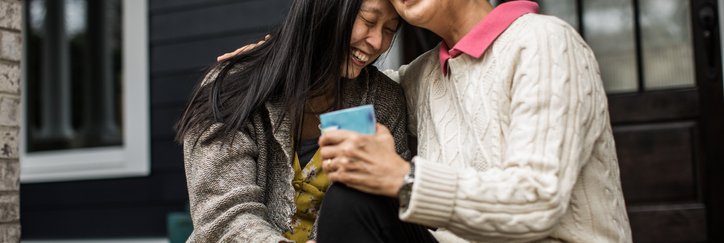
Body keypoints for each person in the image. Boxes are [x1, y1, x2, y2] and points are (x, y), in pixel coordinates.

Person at [314, 0, 633, 242]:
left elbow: (537, 201)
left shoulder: (544, 41)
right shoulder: (423, 76)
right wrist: (269, 58)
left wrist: (404, 179)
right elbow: (345, 79)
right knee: (351, 200)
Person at [175, 0, 435, 242]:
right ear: (325, 9)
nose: (377, 42)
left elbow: (389, 212)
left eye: (390, 30)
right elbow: (223, 220)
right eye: (368, 21)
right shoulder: (233, 90)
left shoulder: (382, 101)